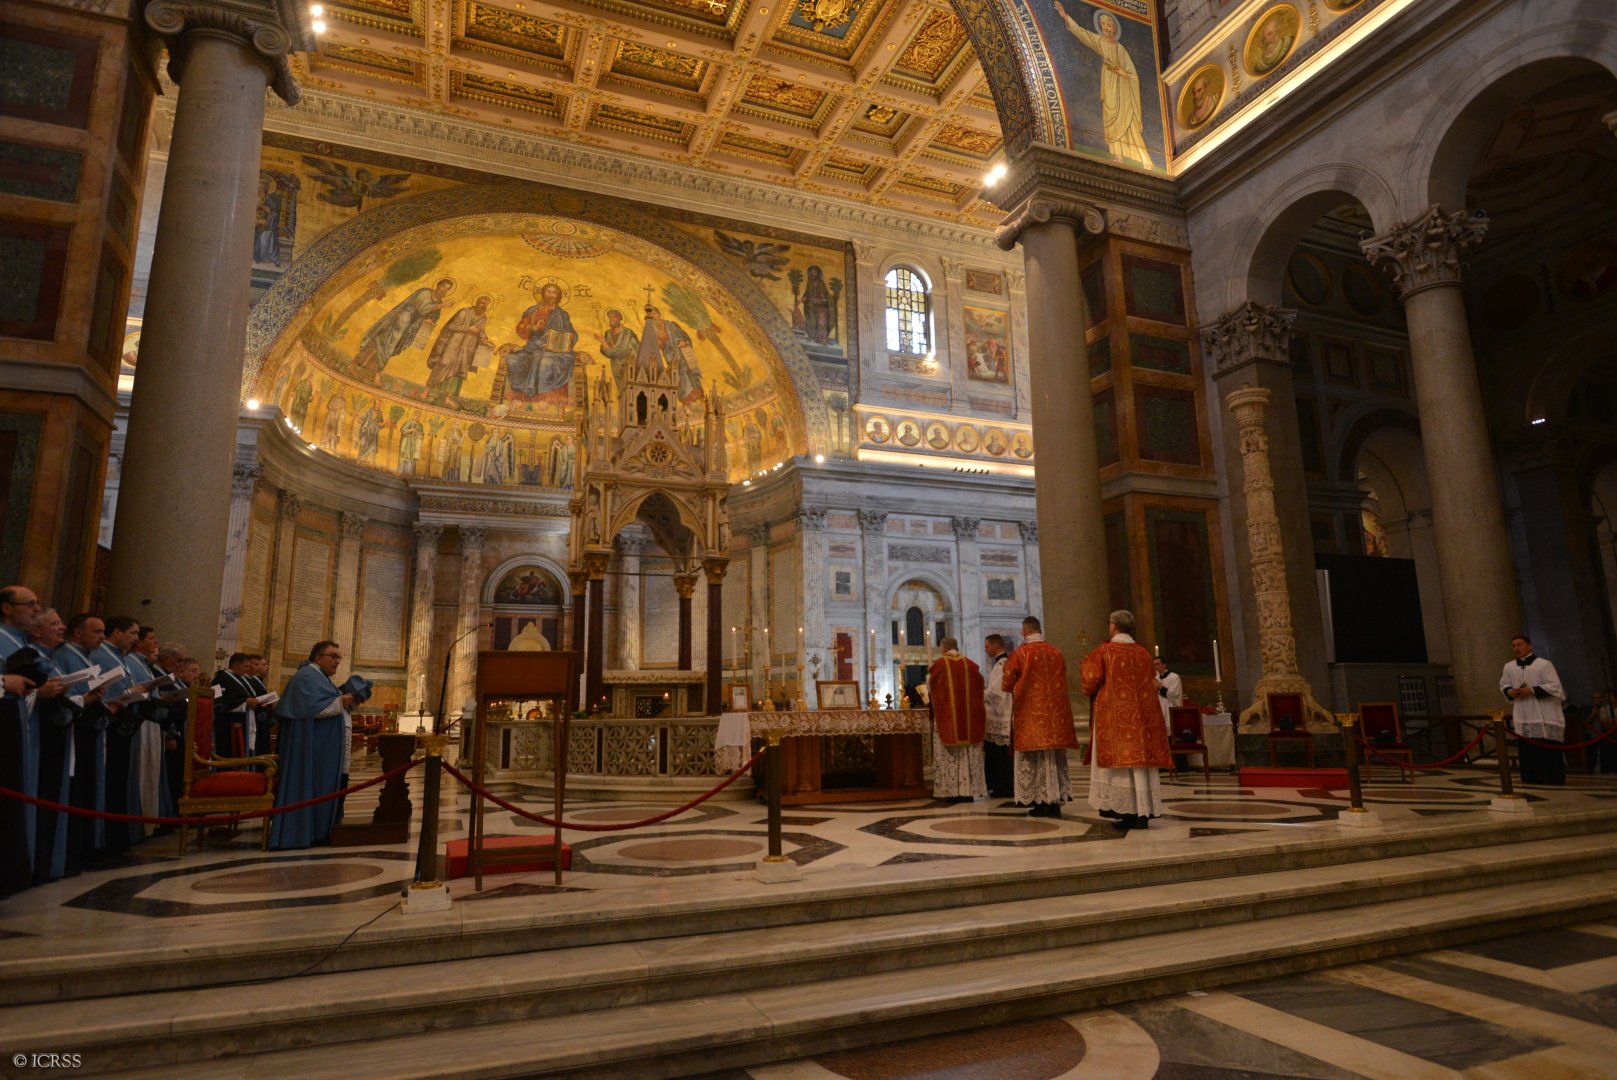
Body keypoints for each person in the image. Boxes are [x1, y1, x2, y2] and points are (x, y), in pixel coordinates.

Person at [1082, 610, 1173, 831]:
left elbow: (1090, 682)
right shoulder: (1143, 653)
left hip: (1115, 718)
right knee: (1140, 766)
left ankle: (1126, 811)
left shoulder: (1104, 651)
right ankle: (1142, 810)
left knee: (1120, 766)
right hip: (1141, 718)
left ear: (1113, 626)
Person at [270, 641, 355, 850]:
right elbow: (310, 708)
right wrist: (340, 702)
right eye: (333, 656)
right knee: (312, 785)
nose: (337, 661)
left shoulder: (319, 677)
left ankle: (319, 830)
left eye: (338, 657)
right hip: (309, 746)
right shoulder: (307, 677)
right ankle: (306, 832)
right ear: (318, 657)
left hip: (319, 745)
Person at [1052, 2, 1156, 170]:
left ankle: (1146, 161)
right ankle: (1118, 156)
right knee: (1110, 118)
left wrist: (1123, 73)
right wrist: (1065, 16)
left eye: (1109, 24)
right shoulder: (1100, 41)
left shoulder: (1121, 49)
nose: (1106, 27)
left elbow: (1133, 74)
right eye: (1103, 24)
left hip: (1124, 90)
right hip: (1109, 86)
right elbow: (1083, 34)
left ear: (1114, 28)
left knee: (1129, 122)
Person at [1000, 615, 1081, 817]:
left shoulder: (1020, 653)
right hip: (1055, 716)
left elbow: (1007, 683)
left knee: (1035, 760)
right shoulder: (1056, 652)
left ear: (1024, 631)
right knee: (1052, 758)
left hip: (1031, 715)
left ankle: (1041, 800)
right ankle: (1054, 800)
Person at [27, 609, 79, 882]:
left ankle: (48, 860)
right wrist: (41, 692)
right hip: (39, 737)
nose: (62, 628)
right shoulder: (29, 656)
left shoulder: (50, 658)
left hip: (54, 735)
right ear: (36, 631)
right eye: (55, 623)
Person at [923, 638, 988, 803]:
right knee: (966, 754)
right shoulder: (970, 665)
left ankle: (951, 792)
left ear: (943, 648)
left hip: (947, 717)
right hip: (969, 718)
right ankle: (968, 791)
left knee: (950, 755)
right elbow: (981, 685)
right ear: (956, 648)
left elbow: (929, 686)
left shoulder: (939, 665)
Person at [1500, 634, 1566, 785]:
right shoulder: (1509, 666)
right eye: (1514, 646)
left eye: (1520, 644)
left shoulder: (1543, 664)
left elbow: (1555, 686)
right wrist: (1510, 691)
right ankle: (1531, 777)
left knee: (1546, 747)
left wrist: (1532, 690)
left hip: (1543, 712)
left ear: (1529, 646)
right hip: (1523, 713)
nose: (1517, 648)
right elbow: (1504, 684)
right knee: (1527, 747)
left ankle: (1551, 778)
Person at [355, 278, 454, 372]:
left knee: (392, 347)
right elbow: (422, 309)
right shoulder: (425, 292)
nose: (444, 290)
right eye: (443, 286)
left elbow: (433, 316)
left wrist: (429, 320)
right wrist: (441, 306)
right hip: (400, 320)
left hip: (410, 327)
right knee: (381, 342)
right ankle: (355, 364)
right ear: (438, 285)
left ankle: (371, 370)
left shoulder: (439, 302)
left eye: (447, 289)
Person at [504, 282, 577, 401]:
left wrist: (569, 337)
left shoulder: (562, 315)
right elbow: (520, 329)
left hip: (554, 353)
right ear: (543, 294)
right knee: (512, 360)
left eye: (554, 293)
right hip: (531, 350)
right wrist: (534, 327)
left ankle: (543, 397)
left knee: (545, 362)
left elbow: (571, 333)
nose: (551, 295)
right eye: (548, 292)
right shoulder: (533, 311)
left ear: (558, 296)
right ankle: (518, 395)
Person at [426, 294, 495, 404]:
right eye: (482, 303)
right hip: (454, 343)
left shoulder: (483, 318)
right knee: (444, 363)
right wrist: (468, 329)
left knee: (458, 370)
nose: (484, 306)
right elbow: (451, 326)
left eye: (486, 304)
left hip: (467, 347)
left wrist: (485, 341)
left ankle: (449, 396)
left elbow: (480, 331)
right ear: (477, 302)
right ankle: (430, 391)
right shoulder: (464, 312)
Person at [982, 634, 1014, 798]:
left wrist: (981, 694)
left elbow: (995, 693)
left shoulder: (1002, 664)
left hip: (1001, 714)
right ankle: (1000, 786)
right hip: (1002, 713)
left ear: (995, 646)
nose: (986, 650)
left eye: (987, 646)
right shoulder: (1004, 662)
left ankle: (1002, 787)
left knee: (999, 754)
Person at [1153, 655, 1183, 731]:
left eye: (1158, 664)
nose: (1156, 667)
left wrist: (1160, 687)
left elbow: (1173, 695)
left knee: (1171, 731)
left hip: (1171, 709)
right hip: (1160, 709)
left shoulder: (1174, 677)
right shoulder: (1156, 678)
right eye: (1154, 665)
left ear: (1164, 664)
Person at [1594, 689, 1617, 775]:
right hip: (1608, 733)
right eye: (1606, 696)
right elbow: (1603, 722)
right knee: (1607, 752)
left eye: (1610, 696)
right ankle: (1607, 769)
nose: (1608, 698)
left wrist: (1611, 721)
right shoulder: (1604, 708)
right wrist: (1611, 722)